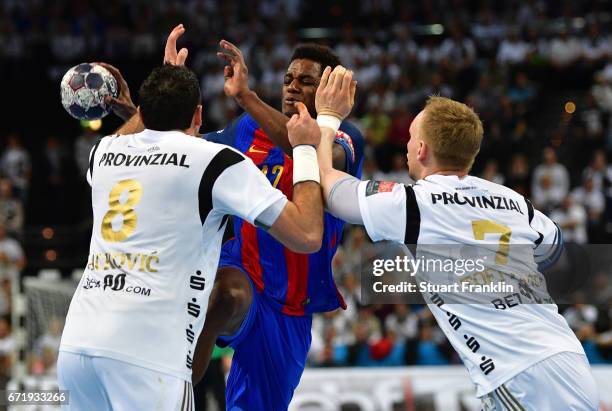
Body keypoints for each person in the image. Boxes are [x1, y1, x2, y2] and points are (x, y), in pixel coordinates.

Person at [108, 25, 363, 410]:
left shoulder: (345, 138)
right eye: (289, 78)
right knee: (223, 297)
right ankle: (168, 396)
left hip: (291, 306)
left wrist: (245, 96)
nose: (292, 86)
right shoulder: (248, 129)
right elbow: (185, 146)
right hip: (240, 269)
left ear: (327, 91)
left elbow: (307, 146)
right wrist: (144, 107)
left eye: (306, 81)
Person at [315, 68, 599, 410]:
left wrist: (328, 119)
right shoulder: (515, 201)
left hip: (520, 373)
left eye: (409, 137)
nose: (405, 145)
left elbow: (328, 186)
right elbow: (552, 248)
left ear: (421, 149)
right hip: (564, 353)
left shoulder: (412, 203)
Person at [57, 63, 326, 411]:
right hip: (150, 357)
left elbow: (144, 136)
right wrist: (304, 149)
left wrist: (146, 101)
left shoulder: (103, 153)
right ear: (198, 114)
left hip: (77, 349)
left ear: (143, 109)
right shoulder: (217, 162)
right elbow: (306, 234)